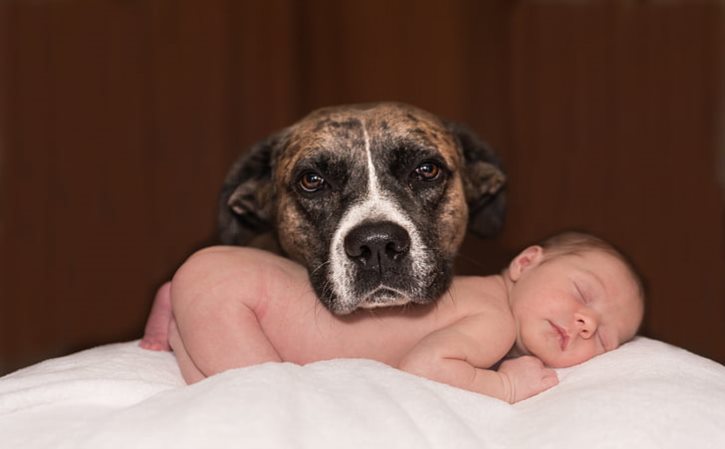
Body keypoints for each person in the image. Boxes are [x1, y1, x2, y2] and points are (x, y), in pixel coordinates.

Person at [140, 231, 645, 404]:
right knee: (262, 394)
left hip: (229, 277)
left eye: (603, 337)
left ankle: (183, 299)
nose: (584, 323)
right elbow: (425, 370)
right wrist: (505, 388)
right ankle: (190, 298)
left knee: (215, 351)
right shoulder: (494, 321)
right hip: (240, 300)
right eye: (582, 293)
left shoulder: (481, 300)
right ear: (526, 262)